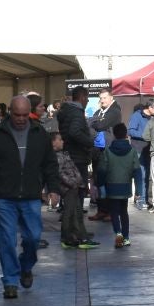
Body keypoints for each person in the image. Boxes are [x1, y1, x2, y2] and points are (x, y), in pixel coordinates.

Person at [0, 95, 62, 298]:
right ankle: (10, 281)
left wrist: (54, 188)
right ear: (10, 112)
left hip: (31, 195)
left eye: (25, 115)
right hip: (4, 197)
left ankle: (26, 265)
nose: (21, 119)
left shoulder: (39, 133)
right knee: (6, 239)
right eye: (17, 115)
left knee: (33, 237)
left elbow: (50, 163)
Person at [56, 88, 96, 241]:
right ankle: (75, 231)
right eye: (87, 98)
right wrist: (89, 142)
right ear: (83, 97)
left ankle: (76, 229)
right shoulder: (76, 113)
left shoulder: (66, 112)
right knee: (77, 196)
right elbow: (75, 132)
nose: (87, 102)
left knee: (73, 196)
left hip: (70, 156)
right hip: (77, 157)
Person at [98, 122, 141, 248]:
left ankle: (118, 233)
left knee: (114, 212)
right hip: (125, 187)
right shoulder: (132, 151)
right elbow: (137, 171)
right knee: (124, 212)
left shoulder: (107, 151)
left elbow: (102, 170)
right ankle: (126, 237)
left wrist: (100, 185)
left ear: (114, 135)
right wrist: (138, 190)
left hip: (111, 187)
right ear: (126, 135)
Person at [127, 99, 154, 205]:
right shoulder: (136, 116)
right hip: (138, 148)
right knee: (141, 174)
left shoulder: (153, 117)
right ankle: (141, 199)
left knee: (146, 175)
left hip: (148, 149)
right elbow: (130, 131)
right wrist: (144, 135)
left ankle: (144, 198)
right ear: (149, 108)